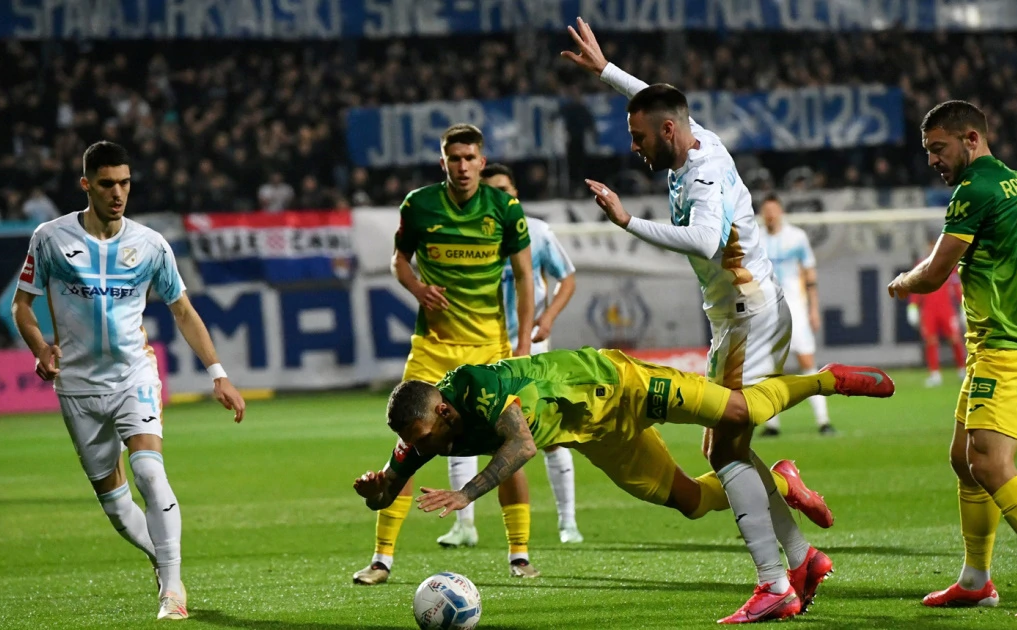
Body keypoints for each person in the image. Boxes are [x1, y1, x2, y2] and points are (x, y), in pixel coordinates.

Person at [562, 18, 833, 622]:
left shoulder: (703, 174)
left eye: (638, 137)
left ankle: (774, 583)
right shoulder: (693, 135)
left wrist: (628, 223)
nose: (633, 146)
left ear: (666, 133)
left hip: (749, 319)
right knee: (725, 446)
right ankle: (800, 557)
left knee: (723, 449)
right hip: (737, 318)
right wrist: (606, 71)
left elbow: (708, 241)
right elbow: (658, 100)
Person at [355, 350, 893, 621]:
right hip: (595, 435)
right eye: (410, 442)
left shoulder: (478, 388)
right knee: (688, 500)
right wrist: (377, 490)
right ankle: (777, 478)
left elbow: (520, 446)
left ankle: (829, 378)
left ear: (444, 411)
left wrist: (465, 494)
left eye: (421, 436)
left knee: (734, 412)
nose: (418, 448)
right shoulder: (420, 436)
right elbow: (390, 484)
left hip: (617, 384)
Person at [10, 141, 247, 621]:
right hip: (76, 385)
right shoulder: (50, 239)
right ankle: (163, 565)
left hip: (132, 376)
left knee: (149, 472)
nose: (118, 193)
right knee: (117, 508)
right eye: (107, 184)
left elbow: (182, 310)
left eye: (124, 183)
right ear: (86, 186)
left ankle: (173, 589)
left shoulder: (150, 244)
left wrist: (218, 374)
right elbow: (22, 306)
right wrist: (41, 349)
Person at [888, 100, 1017, 616]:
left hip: (1005, 348)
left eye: (938, 148)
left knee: (992, 464)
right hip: (996, 343)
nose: (932, 159)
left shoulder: (972, 190)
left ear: (970, 139)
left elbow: (931, 275)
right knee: (964, 460)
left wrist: (901, 282)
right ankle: (975, 579)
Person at [353, 125, 538, 586]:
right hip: (433, 349)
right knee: (406, 448)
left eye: (469, 157)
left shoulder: (504, 208)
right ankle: (382, 559)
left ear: (481, 160)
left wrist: (522, 348)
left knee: (509, 443)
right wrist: (417, 287)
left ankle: (519, 554)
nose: (461, 166)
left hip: (489, 351)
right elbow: (399, 261)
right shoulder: (419, 205)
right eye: (453, 158)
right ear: (443, 162)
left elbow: (525, 275)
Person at [439, 163, 586, 547]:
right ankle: (463, 525)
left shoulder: (536, 232)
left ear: (515, 192)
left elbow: (566, 278)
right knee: (460, 427)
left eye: (505, 189)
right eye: (493, 191)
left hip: (530, 348)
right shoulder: (468, 238)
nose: (501, 197)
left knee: (551, 434)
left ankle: (567, 523)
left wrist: (549, 317)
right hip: (479, 345)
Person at [757, 195, 833, 436]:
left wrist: (813, 308)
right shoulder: (754, 238)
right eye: (766, 210)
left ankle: (823, 420)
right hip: (765, 309)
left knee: (807, 360)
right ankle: (772, 424)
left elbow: (810, 273)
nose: (770, 214)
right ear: (762, 213)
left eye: (773, 209)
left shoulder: (797, 237)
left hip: (795, 307)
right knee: (769, 365)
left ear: (780, 212)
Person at [907, 240, 967, 387]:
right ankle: (935, 374)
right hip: (929, 310)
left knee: (955, 339)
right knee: (931, 341)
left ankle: (962, 370)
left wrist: (963, 307)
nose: (932, 247)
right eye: (930, 245)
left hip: (946, 309)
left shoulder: (949, 265)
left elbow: (957, 287)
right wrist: (913, 307)